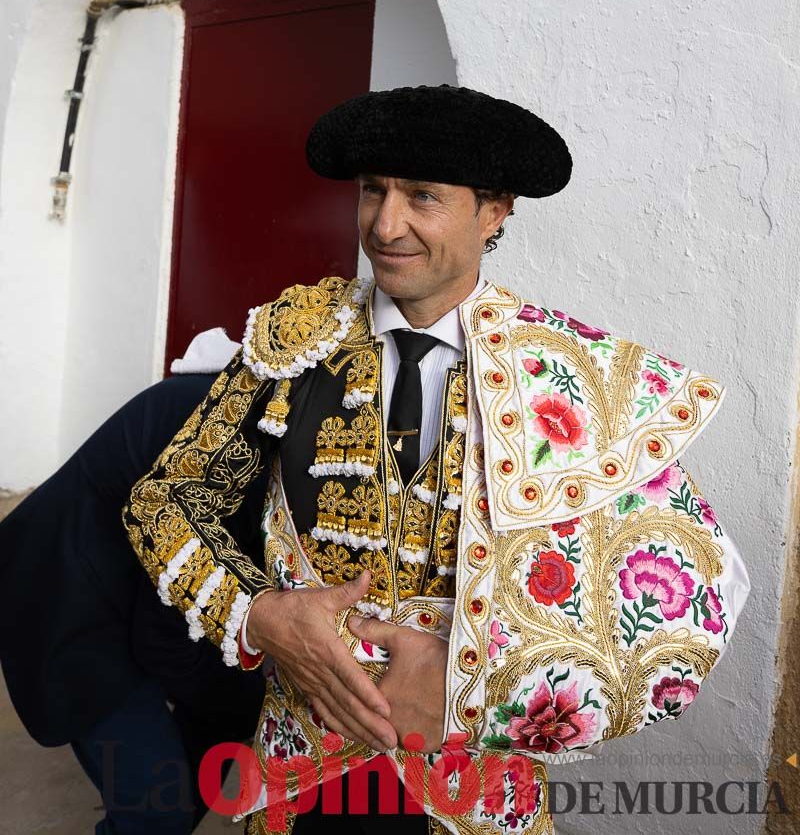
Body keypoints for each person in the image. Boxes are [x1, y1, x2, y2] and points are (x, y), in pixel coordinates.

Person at [122, 83, 751, 835]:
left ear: (495, 210)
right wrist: (260, 613)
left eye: (422, 196)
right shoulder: (296, 340)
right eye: (372, 191)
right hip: (301, 775)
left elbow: (689, 615)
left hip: (475, 792)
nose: (385, 224)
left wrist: (470, 685)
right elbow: (163, 500)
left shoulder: (567, 374)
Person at [0, 360, 268, 833]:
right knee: (154, 814)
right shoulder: (230, 438)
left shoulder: (275, 420)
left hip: (133, 590)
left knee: (216, 730)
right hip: (68, 594)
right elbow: (162, 635)